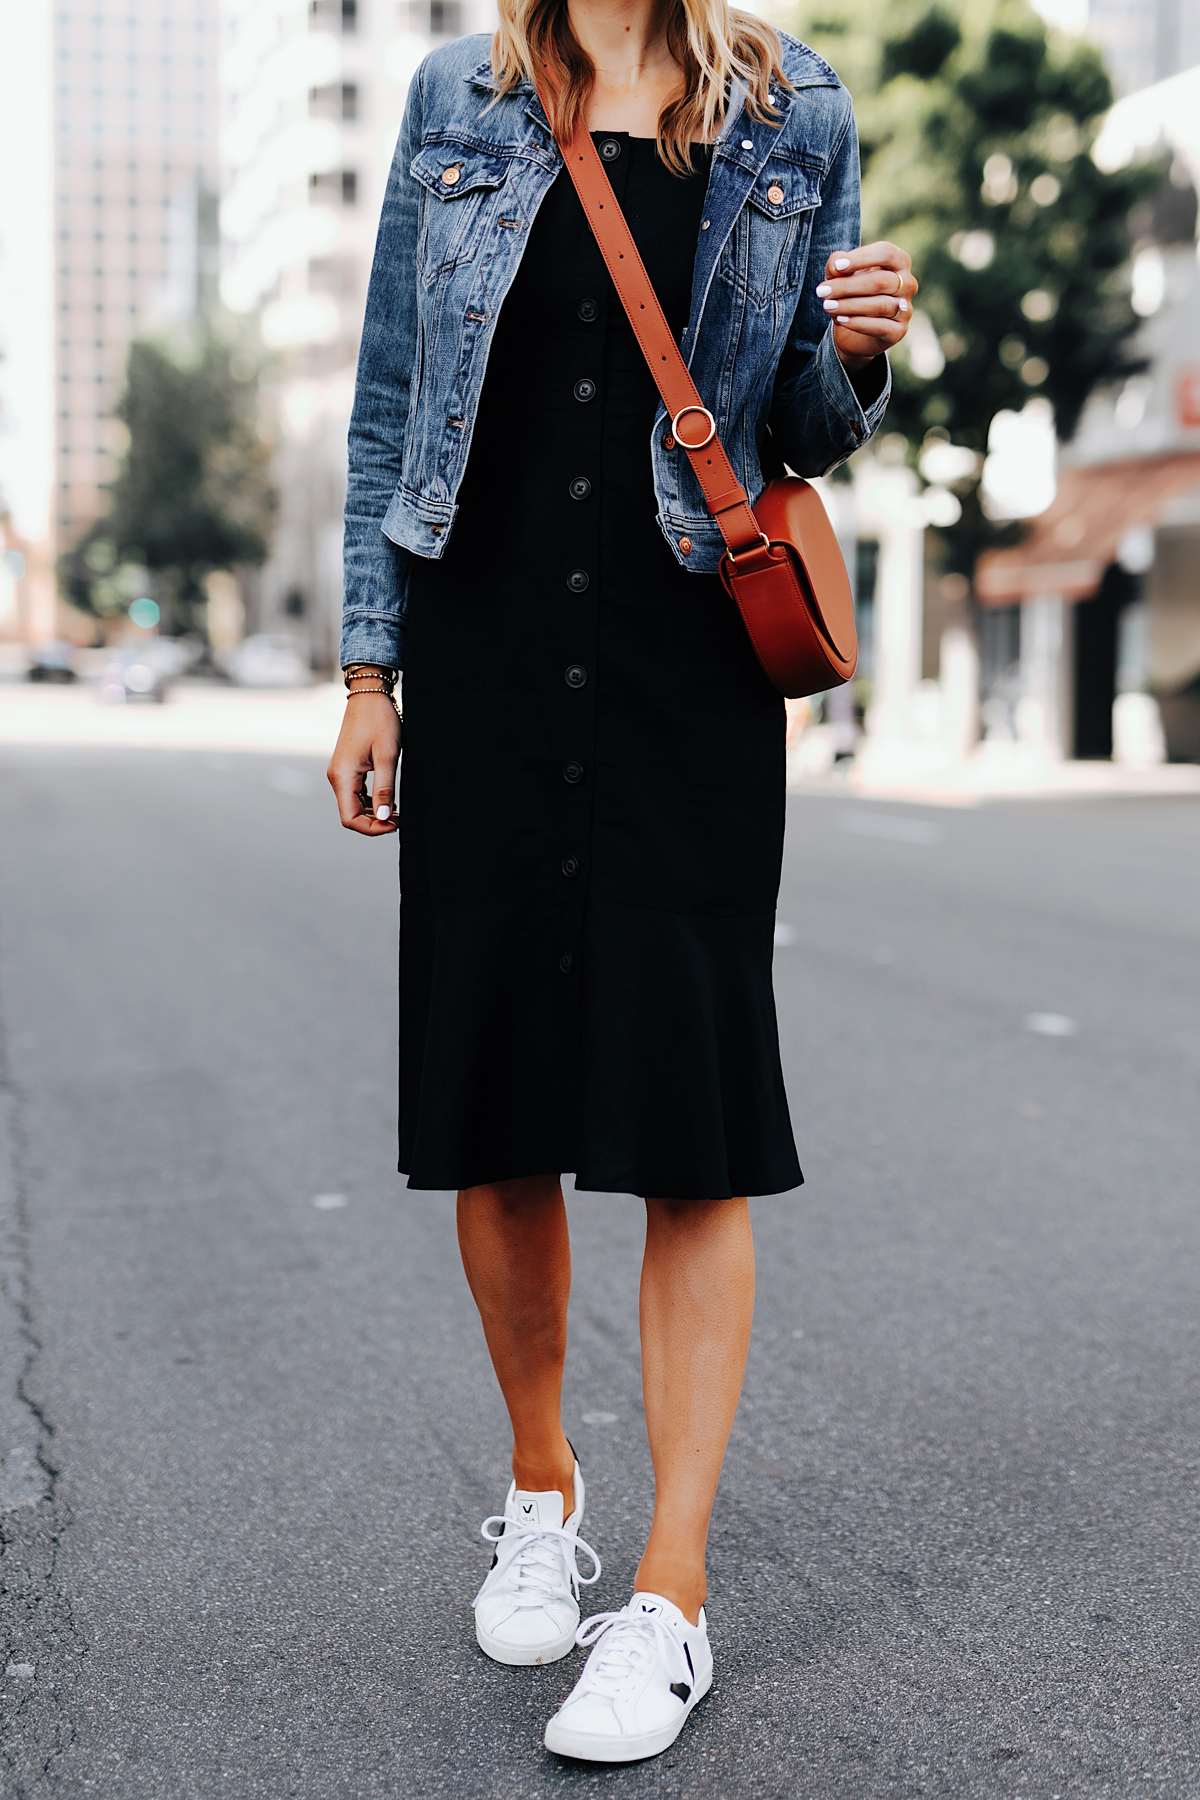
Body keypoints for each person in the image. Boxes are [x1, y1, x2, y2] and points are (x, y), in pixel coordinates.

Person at [327, 0, 914, 1764]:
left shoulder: (792, 105)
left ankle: (669, 1596)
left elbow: (796, 423)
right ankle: (539, 1486)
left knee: (687, 1118)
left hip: (686, 667)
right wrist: (373, 672)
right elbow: (387, 405)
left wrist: (862, 356)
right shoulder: (457, 97)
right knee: (498, 1103)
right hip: (489, 643)